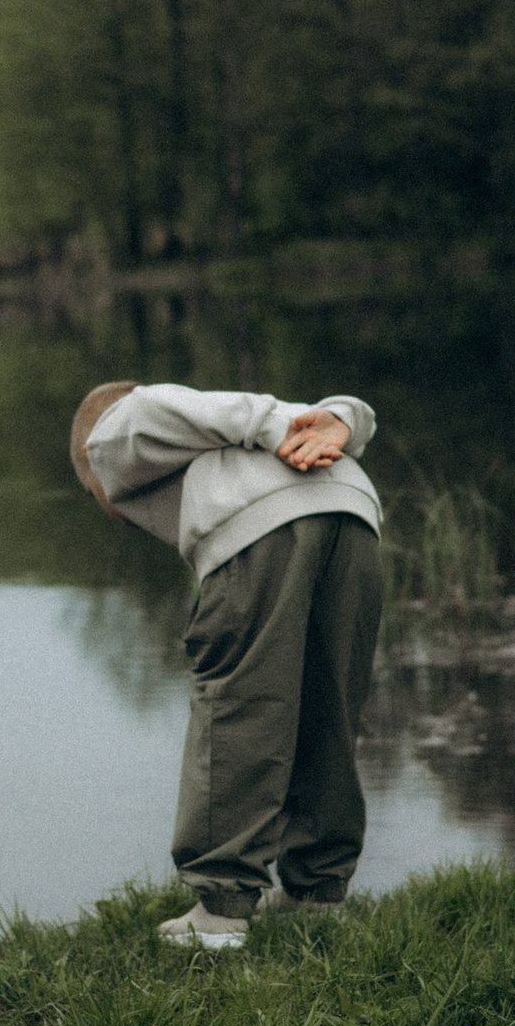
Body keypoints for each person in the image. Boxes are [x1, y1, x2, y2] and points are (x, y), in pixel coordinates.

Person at [71, 379, 384, 950]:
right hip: (354, 515)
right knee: (328, 709)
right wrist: (340, 417)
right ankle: (317, 891)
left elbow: (144, 407)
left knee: (240, 707)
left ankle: (221, 909)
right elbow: (349, 413)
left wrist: (275, 427)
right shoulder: (222, 446)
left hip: (270, 530)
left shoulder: (109, 437)